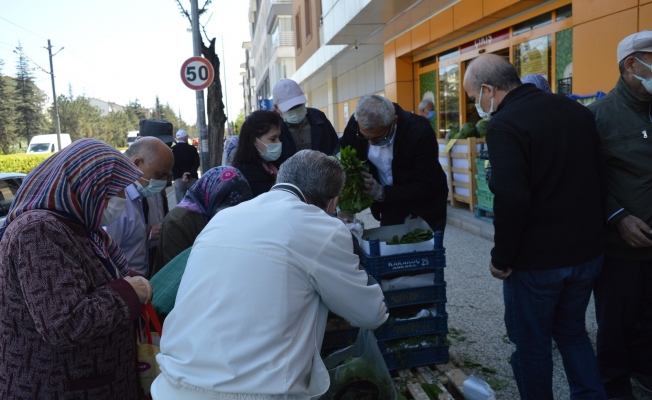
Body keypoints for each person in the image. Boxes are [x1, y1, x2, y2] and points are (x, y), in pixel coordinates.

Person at [151, 150, 388, 399]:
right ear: (331, 202)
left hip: (172, 384)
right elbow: (370, 314)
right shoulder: (322, 226)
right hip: (254, 392)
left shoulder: (224, 218)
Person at [463, 54, 606, 399]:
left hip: (537, 262)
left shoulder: (505, 123)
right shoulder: (577, 111)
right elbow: (600, 177)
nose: (477, 106)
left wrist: (502, 257)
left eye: (474, 98)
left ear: (488, 89)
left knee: (531, 345)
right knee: (573, 333)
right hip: (586, 253)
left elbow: (511, 198)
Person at [0, 139, 152, 399]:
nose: (121, 200)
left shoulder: (81, 228)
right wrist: (127, 292)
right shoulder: (38, 231)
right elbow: (65, 322)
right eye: (114, 191)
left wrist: (129, 280)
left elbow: (94, 277)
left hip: (91, 382)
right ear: (88, 185)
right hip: (56, 386)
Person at [588, 31, 652, 399]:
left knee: (649, 321)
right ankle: (613, 385)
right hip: (620, 248)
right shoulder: (598, 117)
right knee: (616, 323)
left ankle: (645, 372)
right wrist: (618, 216)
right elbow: (586, 182)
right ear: (632, 64)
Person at [339, 94, 448, 232]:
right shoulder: (356, 125)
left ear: (394, 121)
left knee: (424, 249)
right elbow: (343, 155)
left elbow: (427, 184)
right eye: (366, 137)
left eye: (378, 137)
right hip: (390, 205)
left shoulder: (420, 131)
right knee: (391, 245)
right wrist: (345, 205)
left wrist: (382, 192)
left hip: (425, 204)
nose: (372, 143)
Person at [150, 166, 253, 277]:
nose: (231, 217)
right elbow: (177, 276)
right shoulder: (178, 222)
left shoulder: (239, 219)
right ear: (212, 197)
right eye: (226, 208)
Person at [104, 137, 174, 277]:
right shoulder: (118, 204)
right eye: (160, 175)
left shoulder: (138, 195)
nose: (163, 182)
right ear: (137, 164)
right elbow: (106, 258)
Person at [272, 78, 340, 165]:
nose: (296, 110)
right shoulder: (271, 126)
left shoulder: (319, 117)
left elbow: (335, 145)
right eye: (290, 109)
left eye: (299, 105)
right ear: (277, 108)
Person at [232, 110, 282, 197]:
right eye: (273, 139)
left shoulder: (270, 163)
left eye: (279, 137)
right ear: (254, 140)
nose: (279, 142)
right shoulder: (247, 173)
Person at [171, 129, 200, 203]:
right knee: (196, 202)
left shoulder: (173, 150)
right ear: (184, 138)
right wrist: (189, 174)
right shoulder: (192, 149)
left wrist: (182, 174)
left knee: (181, 204)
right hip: (192, 178)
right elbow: (197, 163)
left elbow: (172, 165)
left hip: (178, 179)